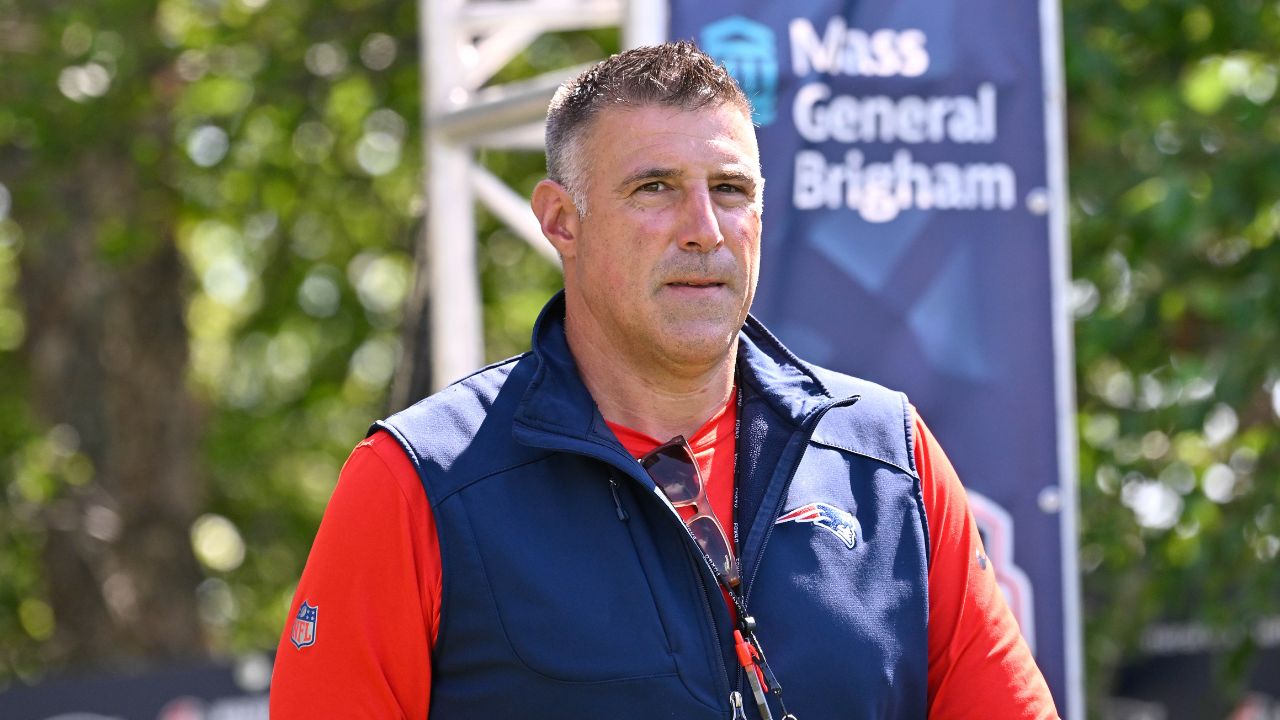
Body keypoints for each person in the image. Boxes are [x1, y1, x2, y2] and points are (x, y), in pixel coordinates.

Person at [270, 42, 1059, 719]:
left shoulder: (890, 459)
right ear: (560, 220)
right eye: (655, 188)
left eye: (730, 190)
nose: (704, 230)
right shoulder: (418, 482)